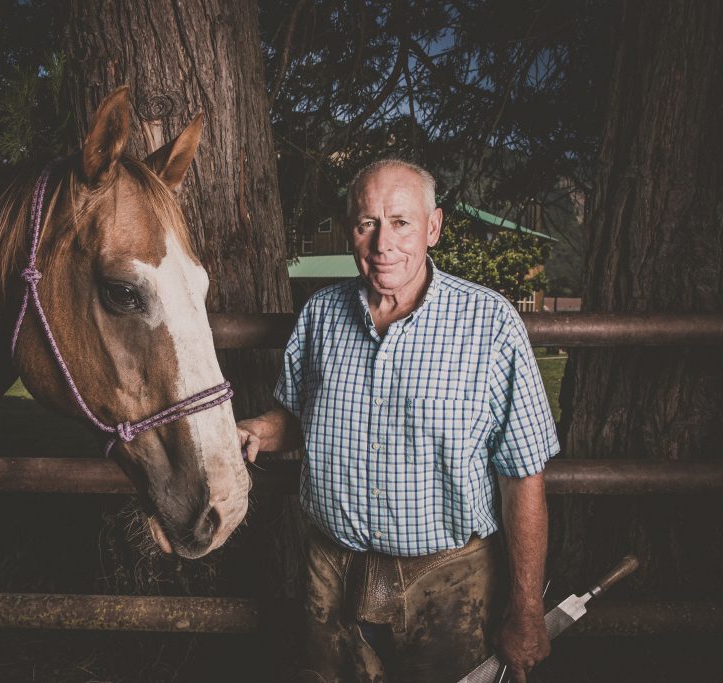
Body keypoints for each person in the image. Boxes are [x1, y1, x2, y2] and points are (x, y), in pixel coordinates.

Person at [238, 159, 559, 683]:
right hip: (331, 572)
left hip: (450, 584)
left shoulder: (491, 323)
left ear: (433, 227)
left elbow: (523, 476)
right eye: (367, 223)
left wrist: (525, 609)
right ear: (351, 231)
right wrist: (254, 430)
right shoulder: (320, 315)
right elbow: (297, 418)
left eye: (401, 222)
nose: (383, 243)